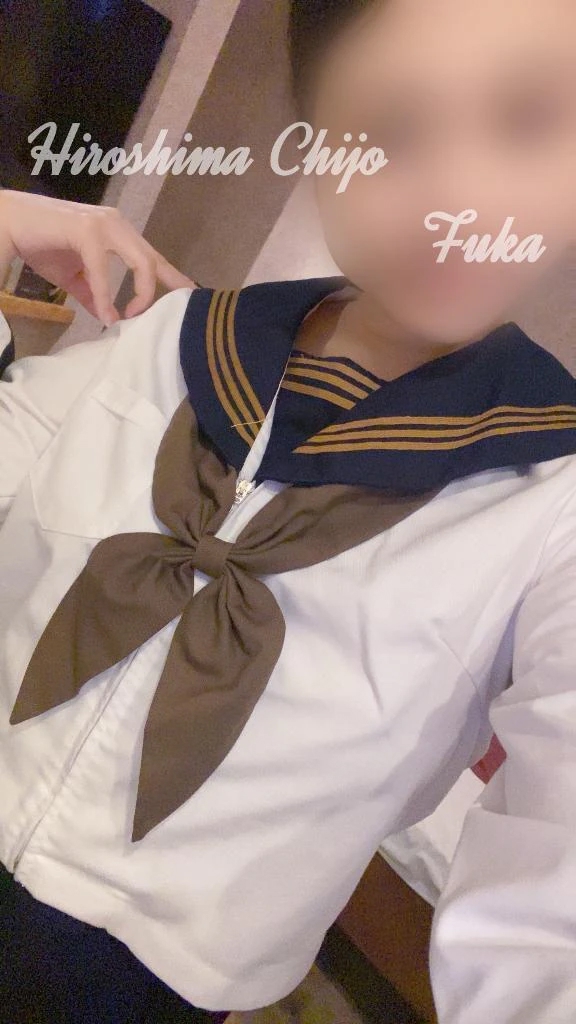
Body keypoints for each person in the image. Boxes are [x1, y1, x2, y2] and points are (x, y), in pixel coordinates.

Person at [1, 0, 576, 1021]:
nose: (460, 191)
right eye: (394, 128)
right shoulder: (170, 338)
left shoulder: (554, 502)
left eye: (527, 121)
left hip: (147, 987)